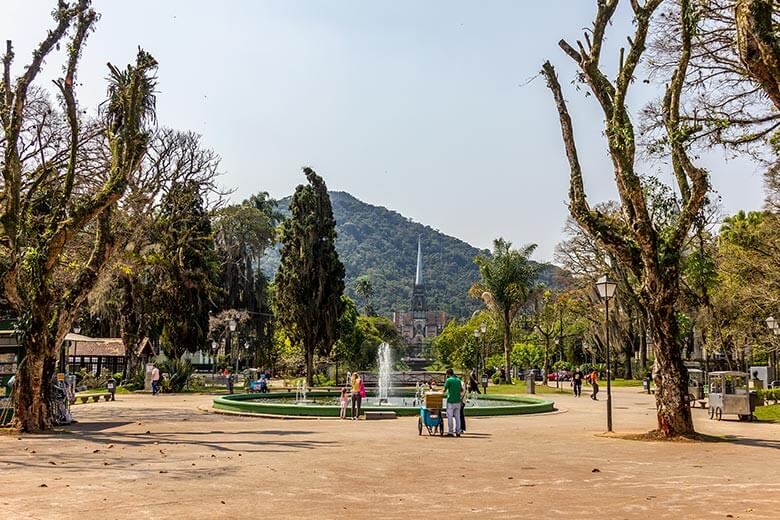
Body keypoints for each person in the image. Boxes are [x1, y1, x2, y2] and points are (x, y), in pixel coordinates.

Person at [443, 368, 462, 437]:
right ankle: (458, 431)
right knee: (457, 417)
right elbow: (461, 390)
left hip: (450, 401)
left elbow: (444, 390)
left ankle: (450, 432)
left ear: (448, 374)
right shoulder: (458, 380)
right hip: (458, 401)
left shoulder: (448, 380)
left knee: (450, 416)